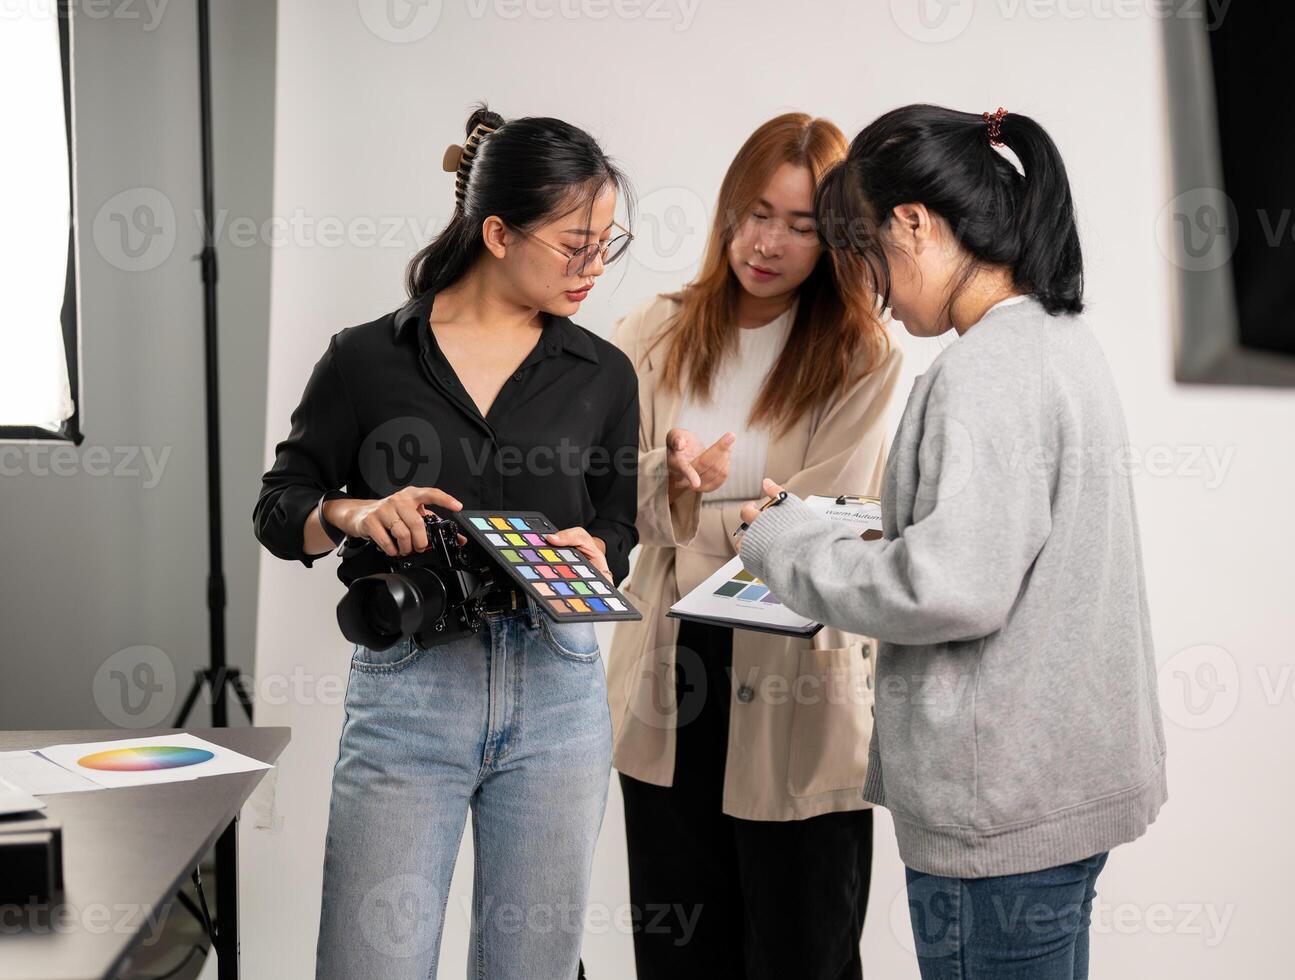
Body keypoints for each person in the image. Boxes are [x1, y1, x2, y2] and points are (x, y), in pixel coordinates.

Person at [736, 104, 1167, 980]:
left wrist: (780, 541)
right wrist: (859, 528)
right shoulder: (1056, 340)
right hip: (1059, 787)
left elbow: (949, 589)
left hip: (997, 809)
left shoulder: (979, 373)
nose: (869, 289)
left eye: (860, 253)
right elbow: (1006, 548)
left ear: (914, 222)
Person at [253, 104, 637, 980]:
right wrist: (354, 512)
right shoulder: (364, 359)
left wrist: (599, 551)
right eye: (573, 242)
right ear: (497, 233)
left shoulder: (603, 373)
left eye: (606, 242)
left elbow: (622, 522)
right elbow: (282, 506)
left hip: (559, 691)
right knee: (368, 965)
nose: (593, 266)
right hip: (411, 694)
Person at [606, 112, 903, 979]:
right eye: (755, 213)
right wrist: (699, 501)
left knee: (801, 950)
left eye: (801, 226)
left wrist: (678, 503)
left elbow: (829, 521)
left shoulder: (862, 354)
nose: (767, 243)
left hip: (793, 672)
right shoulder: (655, 330)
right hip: (671, 671)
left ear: (838, 238)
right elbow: (593, 491)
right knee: (677, 953)